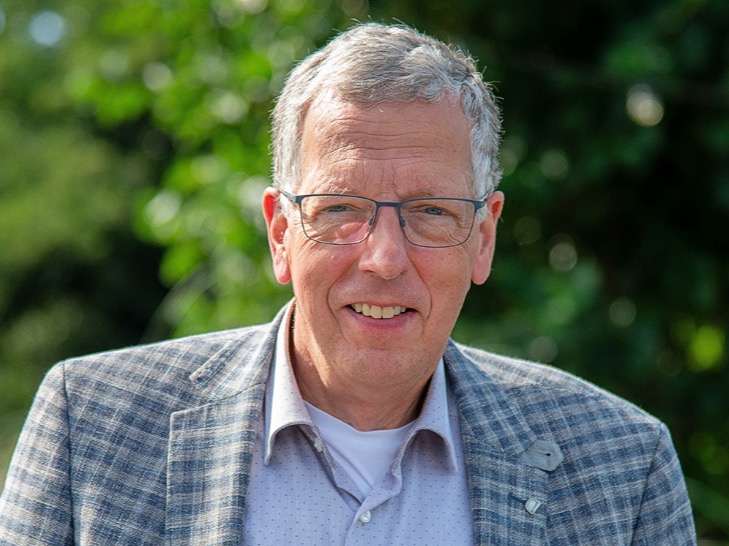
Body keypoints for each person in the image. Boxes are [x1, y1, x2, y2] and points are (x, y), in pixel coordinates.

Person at [0, 22, 695, 545]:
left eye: (431, 212)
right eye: (340, 209)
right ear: (280, 234)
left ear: (483, 238)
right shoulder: (89, 429)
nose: (384, 258)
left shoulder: (622, 467)